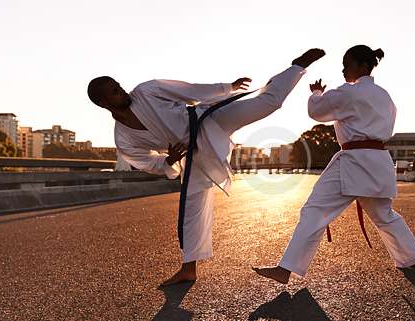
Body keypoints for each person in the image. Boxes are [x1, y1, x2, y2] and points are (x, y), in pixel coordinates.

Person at [87, 49, 326, 286]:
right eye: (115, 91)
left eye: (119, 85)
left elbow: (188, 90)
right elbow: (144, 161)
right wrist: (168, 161)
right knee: (192, 212)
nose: (123, 91)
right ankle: (188, 269)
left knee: (267, 103)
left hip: (207, 120)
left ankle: (296, 67)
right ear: (103, 103)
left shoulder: (146, 90)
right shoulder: (124, 138)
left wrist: (227, 87)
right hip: (193, 156)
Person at [254, 45, 415, 284]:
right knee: (384, 215)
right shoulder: (384, 96)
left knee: (314, 210)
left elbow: (317, 111)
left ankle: (286, 268)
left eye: (347, 64)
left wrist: (316, 93)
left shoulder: (349, 92)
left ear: (363, 66)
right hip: (378, 161)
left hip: (354, 161)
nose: (343, 69)